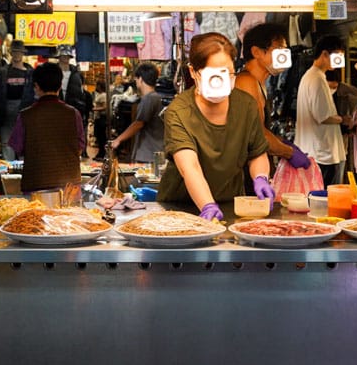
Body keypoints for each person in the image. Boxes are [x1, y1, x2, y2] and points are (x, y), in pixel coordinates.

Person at [156, 32, 274, 220]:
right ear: (193, 72)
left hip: (230, 204)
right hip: (181, 207)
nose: (220, 80)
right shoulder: (179, 112)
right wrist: (207, 205)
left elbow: (257, 152)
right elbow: (190, 168)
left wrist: (261, 177)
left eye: (226, 72)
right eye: (213, 74)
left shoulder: (246, 105)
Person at [234, 22, 311, 181]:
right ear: (256, 52)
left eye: (285, 50)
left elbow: (260, 128)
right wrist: (289, 152)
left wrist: (282, 143)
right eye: (278, 50)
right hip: (244, 173)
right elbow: (256, 134)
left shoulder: (259, 83)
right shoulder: (246, 82)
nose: (283, 55)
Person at [8, 62, 86, 192]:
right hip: (69, 188)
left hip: (36, 185)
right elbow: (80, 147)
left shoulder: (25, 115)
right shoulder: (73, 114)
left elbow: (18, 148)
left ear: (36, 86)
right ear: (60, 86)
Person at [294, 35, 349, 187]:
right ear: (324, 54)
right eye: (337, 56)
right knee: (324, 199)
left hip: (317, 151)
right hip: (322, 154)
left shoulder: (311, 77)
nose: (339, 61)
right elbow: (323, 116)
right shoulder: (317, 78)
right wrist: (343, 119)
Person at [0, 39, 35, 160]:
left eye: (19, 52)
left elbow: (35, 94)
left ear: (23, 54)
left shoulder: (31, 74)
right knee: (7, 143)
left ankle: (24, 171)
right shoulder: (2, 72)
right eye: (15, 52)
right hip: (5, 110)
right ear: (11, 53)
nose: (17, 55)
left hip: (25, 110)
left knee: (24, 143)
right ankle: (9, 170)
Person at [109, 62, 165, 165]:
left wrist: (118, 139)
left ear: (141, 79)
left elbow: (138, 123)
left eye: (136, 78)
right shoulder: (156, 97)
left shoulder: (149, 99)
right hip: (153, 152)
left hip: (148, 154)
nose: (135, 81)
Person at [325, 69, 357, 183]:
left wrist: (347, 115)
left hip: (341, 133)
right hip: (325, 136)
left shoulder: (342, 93)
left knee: (339, 165)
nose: (333, 88)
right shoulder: (320, 93)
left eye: (335, 85)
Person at [54, 44, 89, 123]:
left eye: (67, 55)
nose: (66, 57)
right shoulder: (52, 72)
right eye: (63, 55)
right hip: (56, 109)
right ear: (58, 56)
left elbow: (81, 92)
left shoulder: (77, 74)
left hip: (73, 110)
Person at [91, 79, 108, 160]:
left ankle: (102, 153)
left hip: (101, 118)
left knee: (101, 137)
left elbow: (105, 107)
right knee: (99, 136)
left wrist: (95, 109)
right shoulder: (100, 94)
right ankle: (100, 153)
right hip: (98, 118)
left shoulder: (103, 95)